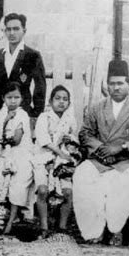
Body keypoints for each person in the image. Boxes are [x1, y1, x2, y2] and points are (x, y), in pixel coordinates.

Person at [73, 60, 129, 245]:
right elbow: (84, 133)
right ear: (107, 85)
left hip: (126, 162)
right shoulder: (98, 107)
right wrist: (99, 148)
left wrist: (122, 148)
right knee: (82, 175)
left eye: (120, 83)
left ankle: (115, 229)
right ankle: (93, 232)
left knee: (125, 185)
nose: (116, 87)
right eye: (112, 83)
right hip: (100, 160)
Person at [32, 85, 80, 239]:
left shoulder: (70, 120)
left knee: (67, 192)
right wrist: (59, 152)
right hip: (43, 158)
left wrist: (70, 141)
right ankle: (44, 227)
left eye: (65, 99)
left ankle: (62, 227)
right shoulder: (44, 117)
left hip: (62, 160)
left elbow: (74, 140)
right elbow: (44, 140)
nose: (61, 102)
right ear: (51, 101)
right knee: (43, 191)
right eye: (57, 99)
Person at [0, 82, 33, 235]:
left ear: (21, 98)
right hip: (3, 152)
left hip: (20, 152)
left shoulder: (22, 114)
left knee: (18, 179)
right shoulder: (0, 114)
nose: (13, 101)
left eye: (17, 97)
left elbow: (16, 140)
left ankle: (11, 220)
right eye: (9, 97)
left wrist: (8, 122)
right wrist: (3, 122)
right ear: (3, 98)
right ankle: (1, 214)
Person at [0, 13, 46, 117]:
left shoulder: (32, 55)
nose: (12, 33)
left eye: (16, 29)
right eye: (8, 29)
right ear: (5, 31)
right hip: (1, 112)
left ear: (24, 31)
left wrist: (35, 114)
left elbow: (40, 87)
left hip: (23, 112)